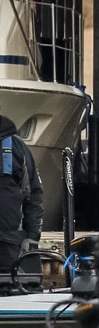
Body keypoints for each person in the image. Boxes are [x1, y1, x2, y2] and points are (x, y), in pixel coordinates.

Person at [0, 111, 42, 275]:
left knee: (9, 285)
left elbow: (34, 194)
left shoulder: (17, 147)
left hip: (8, 242)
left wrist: (32, 235)